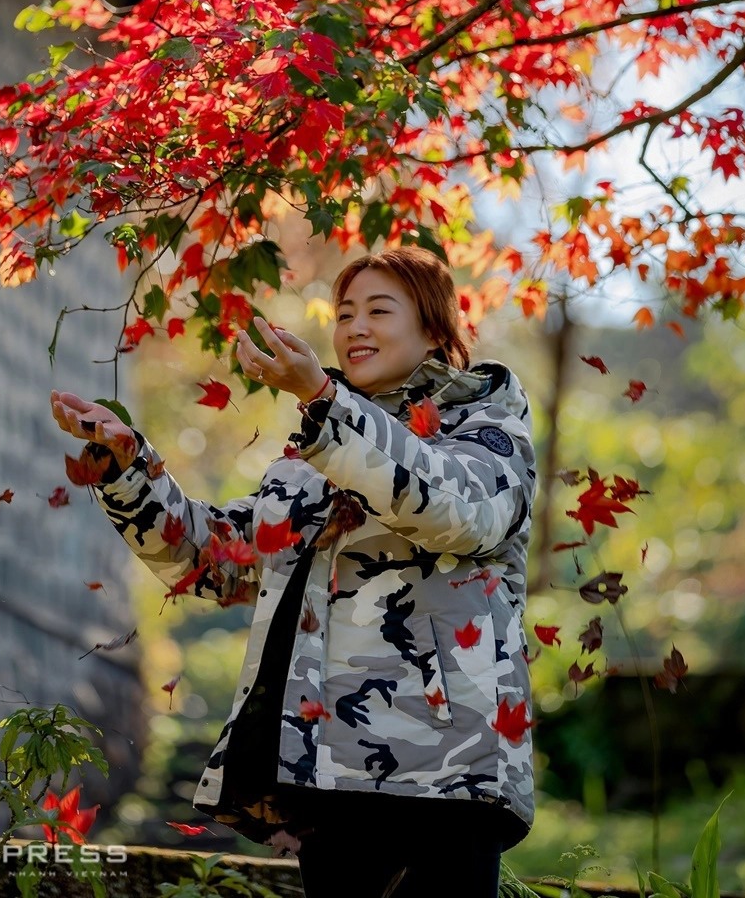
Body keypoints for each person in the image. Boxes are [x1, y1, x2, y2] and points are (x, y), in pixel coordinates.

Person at [51, 247, 537, 897]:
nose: (354, 327)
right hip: (327, 778)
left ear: (433, 330)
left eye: (378, 310)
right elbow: (218, 560)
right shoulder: (313, 456)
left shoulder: (485, 421)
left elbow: (458, 510)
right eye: (343, 313)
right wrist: (127, 468)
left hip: (444, 776)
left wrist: (323, 398)